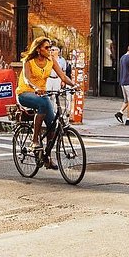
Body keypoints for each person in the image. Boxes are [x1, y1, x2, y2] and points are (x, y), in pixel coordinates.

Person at [16, 36, 76, 168]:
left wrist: (73, 85)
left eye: (50, 47)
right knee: (42, 103)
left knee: (52, 126)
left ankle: (47, 157)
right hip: (25, 93)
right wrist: (35, 88)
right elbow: (26, 79)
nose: (49, 50)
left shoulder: (50, 60)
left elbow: (63, 76)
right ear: (38, 49)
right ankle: (34, 140)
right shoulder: (28, 61)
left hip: (42, 94)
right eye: (46, 47)